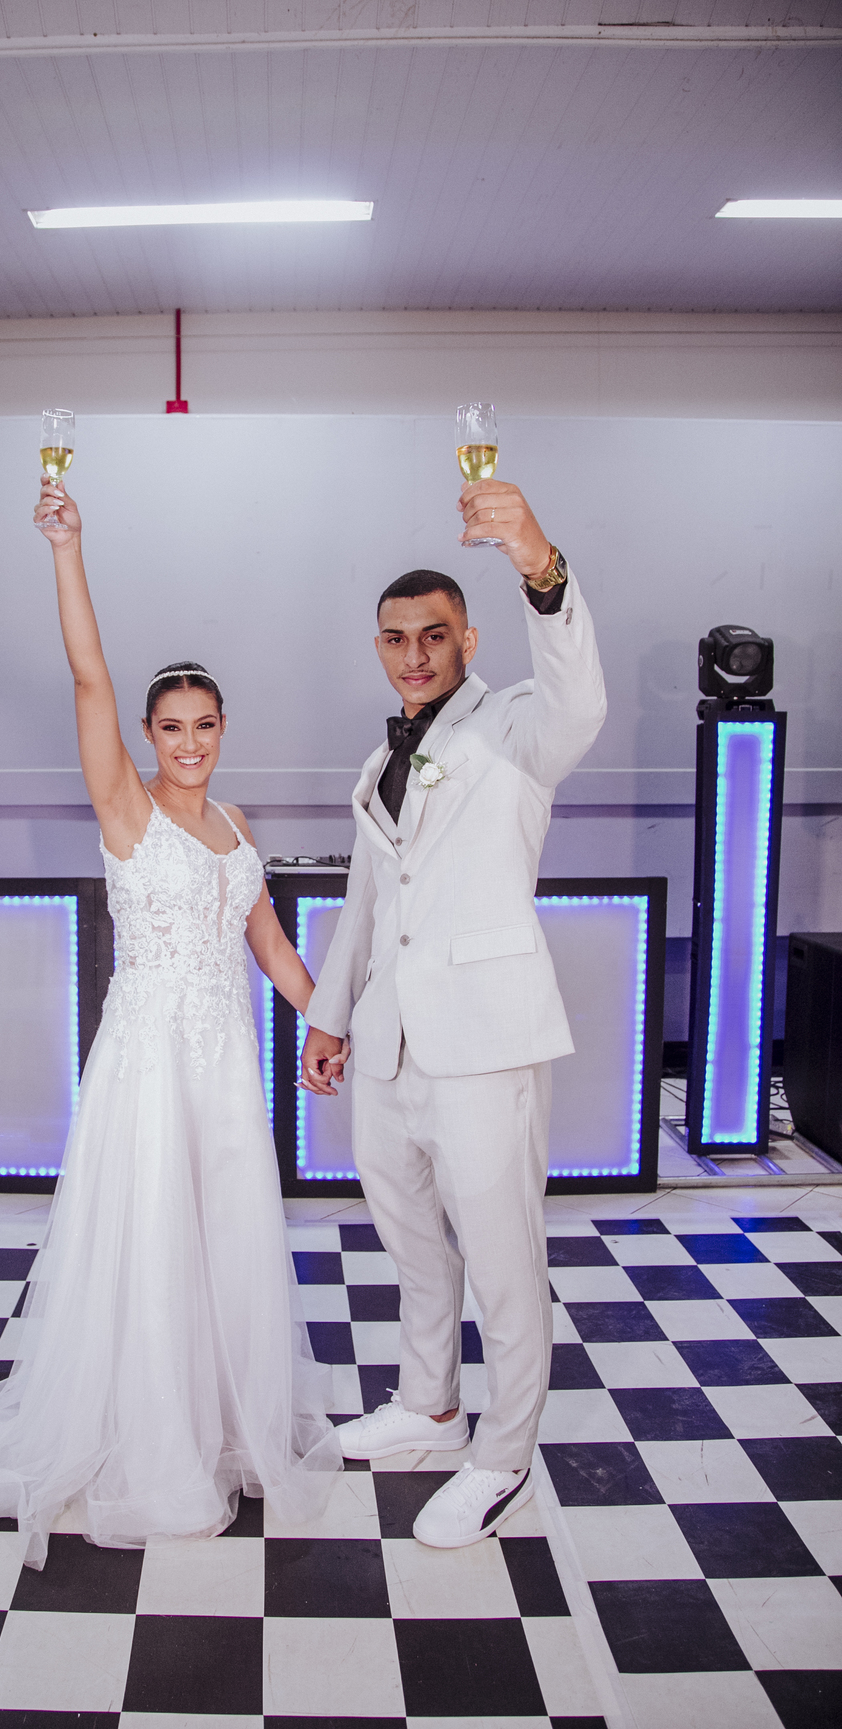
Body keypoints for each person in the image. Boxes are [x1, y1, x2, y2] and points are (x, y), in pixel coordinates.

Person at [0, 476, 339, 1568]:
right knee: (154, 1243)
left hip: (225, 1063)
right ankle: (153, 1446)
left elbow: (270, 946)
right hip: (151, 1060)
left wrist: (327, 1020)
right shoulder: (125, 805)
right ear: (149, 734)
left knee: (224, 1242)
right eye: (171, 728)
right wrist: (68, 549)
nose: (189, 743)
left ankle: (224, 1421)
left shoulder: (237, 821)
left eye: (205, 726)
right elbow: (89, 675)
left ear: (223, 729)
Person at [300, 476, 606, 1550]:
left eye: (434, 635)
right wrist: (331, 1015)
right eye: (396, 639)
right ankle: (429, 1405)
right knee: (411, 1242)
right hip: (390, 1045)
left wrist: (540, 565)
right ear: (379, 649)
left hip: (485, 1043)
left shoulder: (517, 725)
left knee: (503, 1258)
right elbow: (367, 901)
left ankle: (502, 1456)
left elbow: (579, 699)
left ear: (468, 639)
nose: (415, 654)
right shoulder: (378, 758)